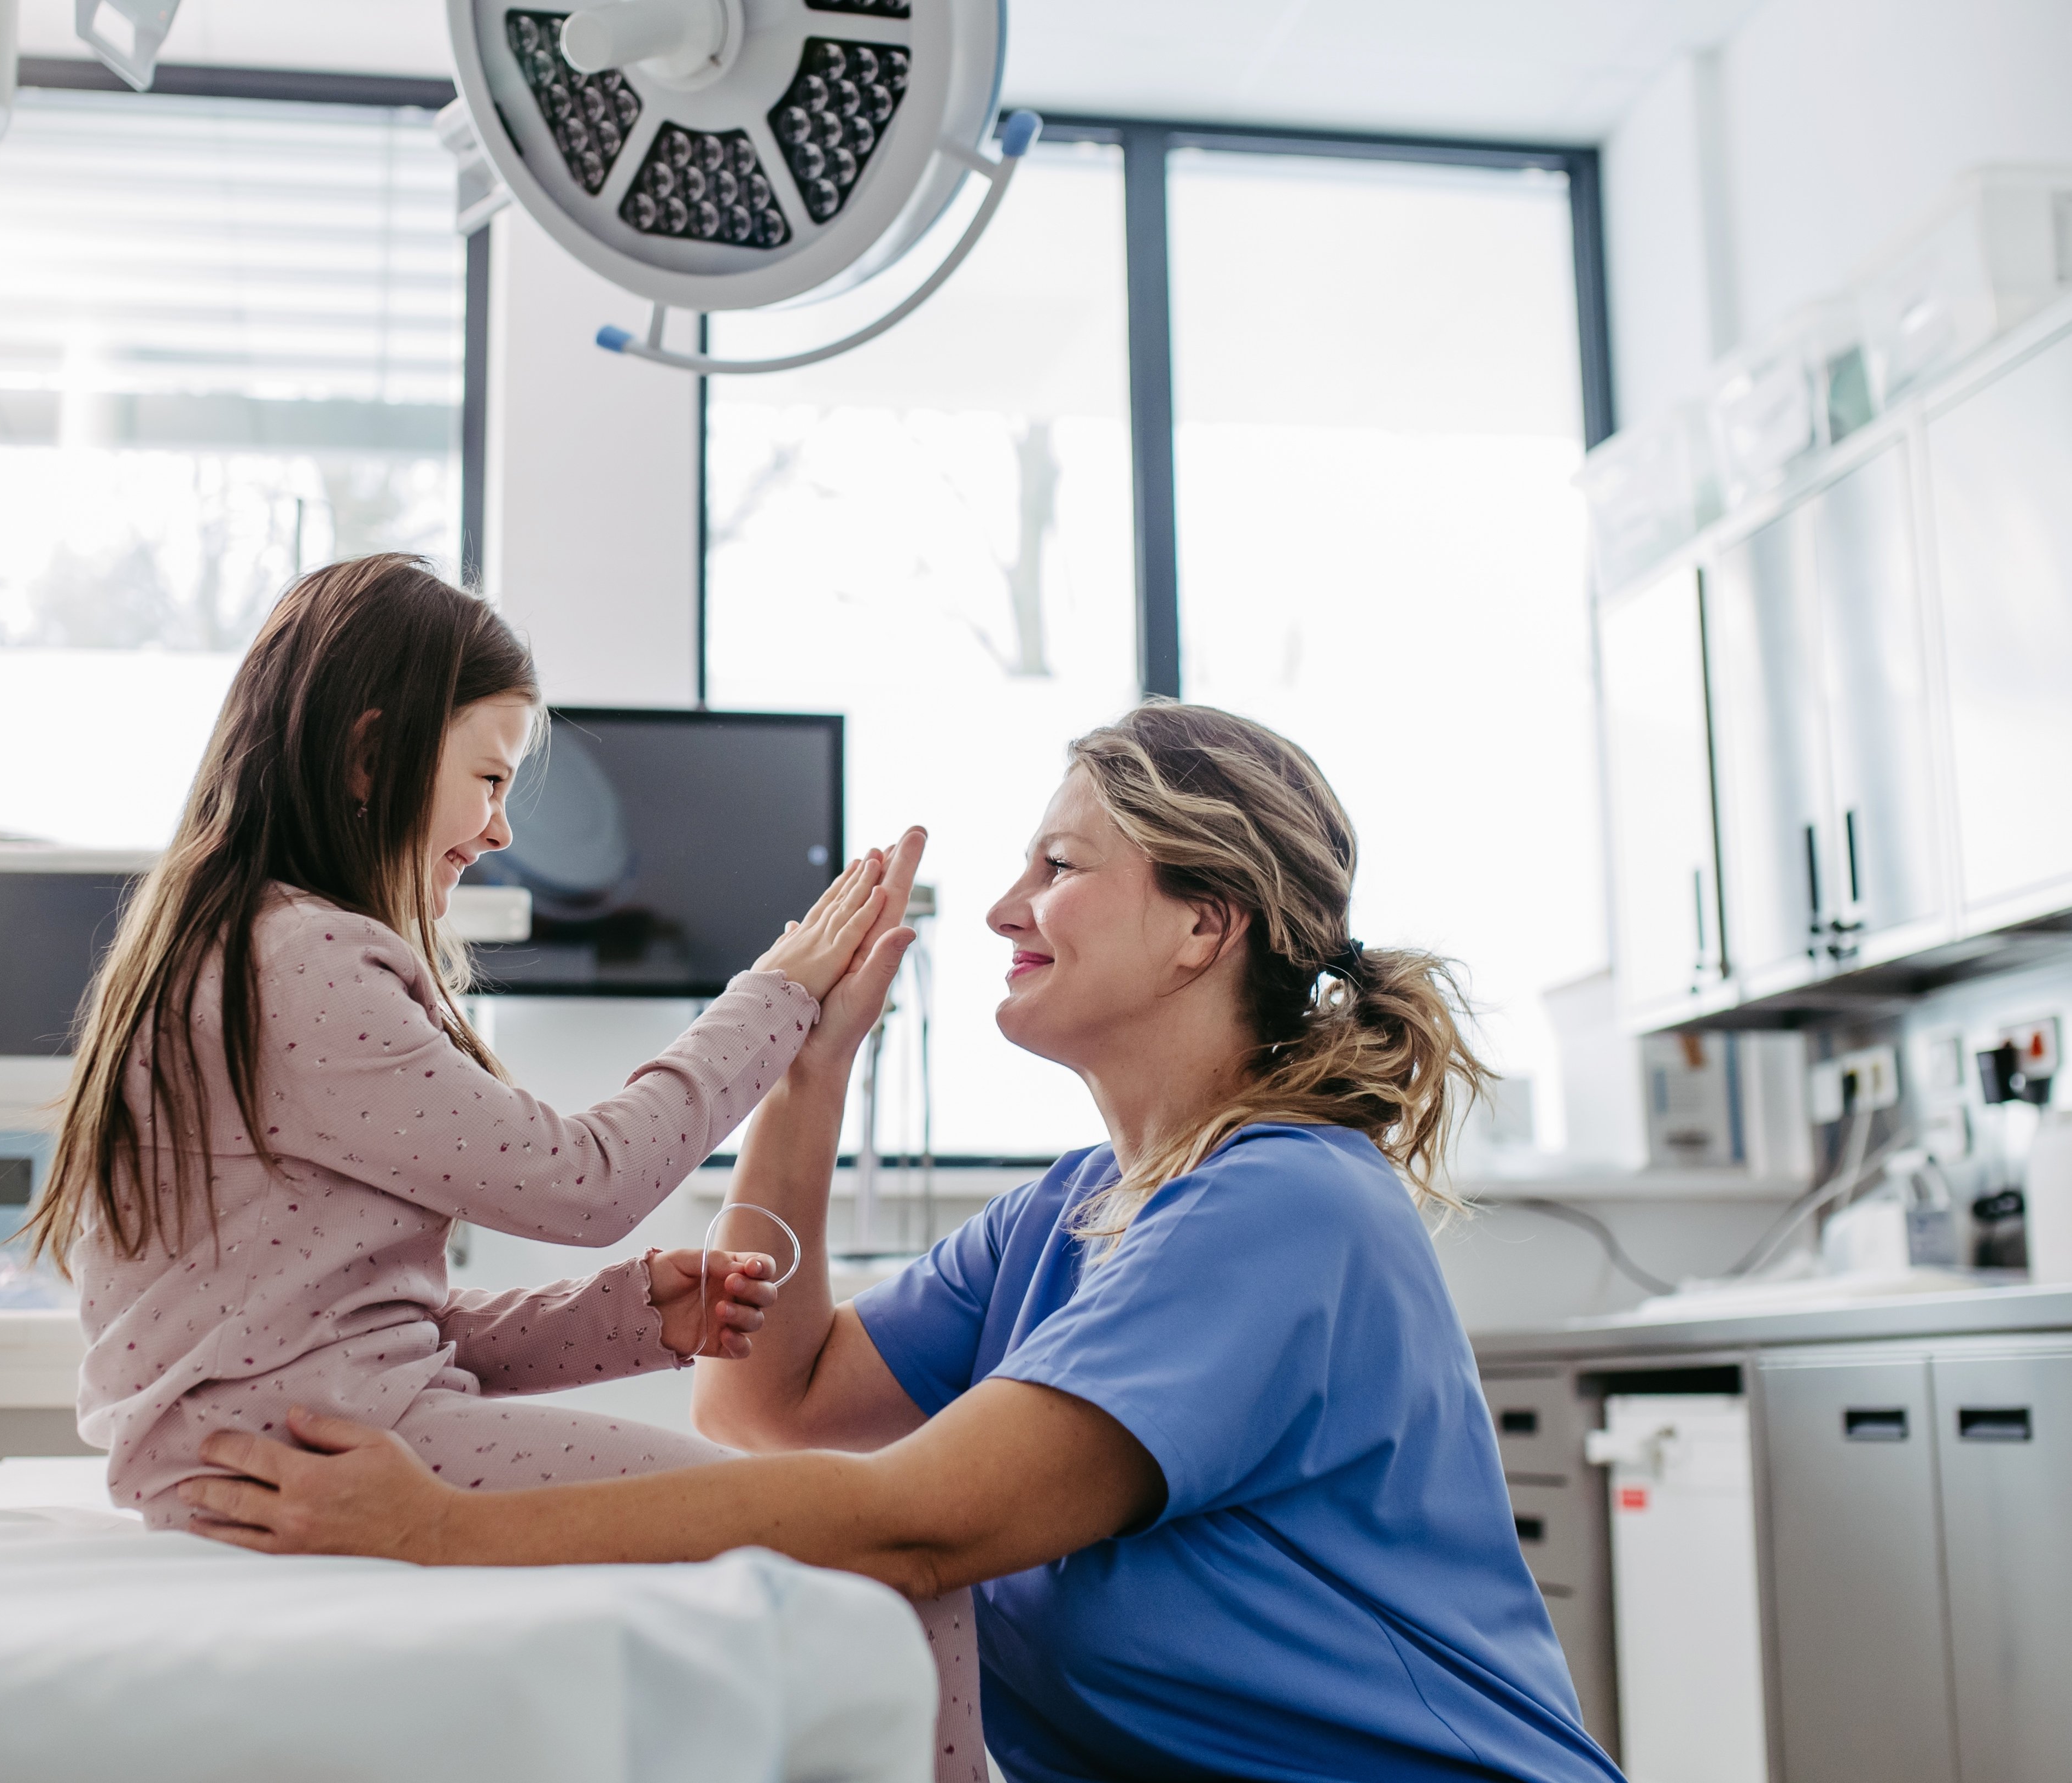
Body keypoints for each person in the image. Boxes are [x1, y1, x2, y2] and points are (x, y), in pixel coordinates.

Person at [178, 700, 1628, 1783]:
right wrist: (808, 1069)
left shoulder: (1285, 1206)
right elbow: (764, 1397)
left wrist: (441, 1529)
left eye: (1058, 864)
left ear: (1204, 923)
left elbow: (913, 1518)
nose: (1001, 908)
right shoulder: (1062, 1213)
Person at [23, 553, 988, 1780]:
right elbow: (583, 1183)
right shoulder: (306, 960)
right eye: (486, 775)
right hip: (328, 1453)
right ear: (371, 757)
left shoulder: (225, 946)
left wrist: (624, 1316)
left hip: (288, 1437)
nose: (501, 827)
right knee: (897, 1560)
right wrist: (778, 993)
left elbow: (340, 1323)